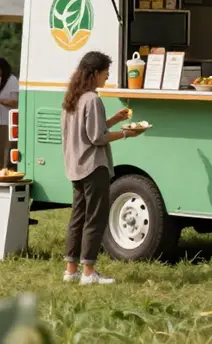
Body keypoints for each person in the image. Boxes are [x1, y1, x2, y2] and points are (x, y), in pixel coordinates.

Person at [61, 51, 146, 286]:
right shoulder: (92, 99)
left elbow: (87, 130)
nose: (107, 77)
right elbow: (97, 137)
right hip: (93, 166)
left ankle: (71, 270)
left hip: (75, 165)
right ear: (94, 73)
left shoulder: (73, 97)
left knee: (77, 217)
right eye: (106, 73)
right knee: (95, 219)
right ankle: (89, 272)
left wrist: (115, 120)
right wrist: (127, 134)